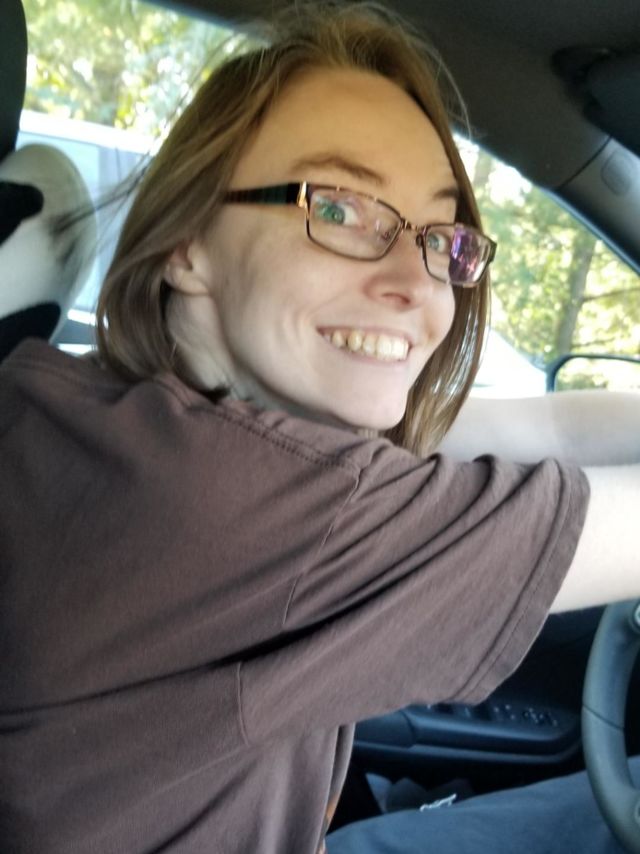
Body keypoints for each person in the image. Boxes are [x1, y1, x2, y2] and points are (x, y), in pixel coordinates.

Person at [0, 3, 638, 853]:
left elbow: (549, 433)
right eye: (339, 209)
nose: (418, 285)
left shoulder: (94, 413)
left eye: (441, 235)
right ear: (187, 241)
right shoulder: (224, 498)